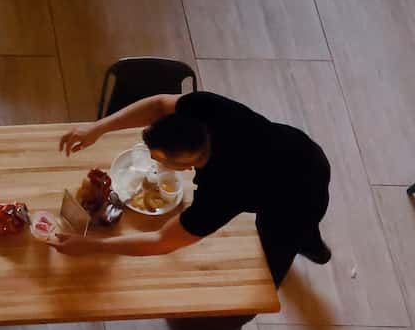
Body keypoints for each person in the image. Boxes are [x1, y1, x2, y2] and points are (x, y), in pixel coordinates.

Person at [49, 90, 332, 284]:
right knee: (301, 228)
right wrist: (98, 128)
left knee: (277, 249)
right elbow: (160, 106)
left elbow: (162, 241)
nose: (153, 161)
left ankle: (309, 248)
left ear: (186, 167)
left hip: (298, 196)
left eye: (158, 159)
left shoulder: (220, 194)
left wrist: (92, 246)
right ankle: (311, 241)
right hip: (301, 147)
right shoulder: (206, 108)